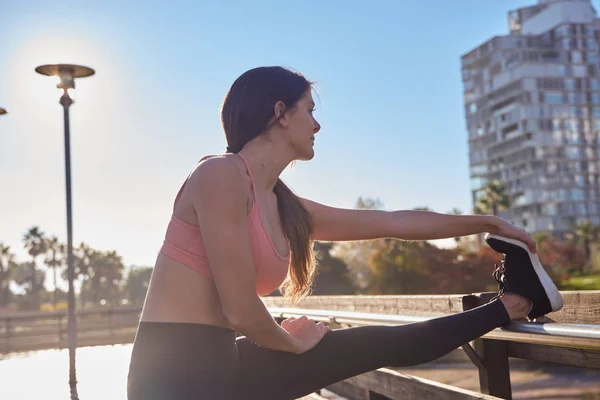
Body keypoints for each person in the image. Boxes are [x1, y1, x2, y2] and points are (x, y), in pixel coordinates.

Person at [127, 66, 563, 400]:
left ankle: (519, 300)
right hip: (172, 377)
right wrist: (292, 343)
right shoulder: (220, 175)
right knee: (378, 344)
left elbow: (392, 222)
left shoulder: (285, 207)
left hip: (224, 363)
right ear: (280, 113)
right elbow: (241, 310)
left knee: (387, 342)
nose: (317, 125)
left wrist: (486, 224)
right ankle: (518, 300)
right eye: (310, 110)